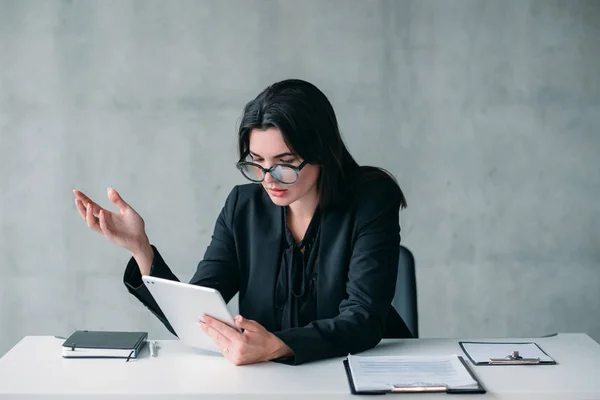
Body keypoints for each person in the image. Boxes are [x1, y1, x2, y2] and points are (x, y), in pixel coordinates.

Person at [73, 79, 411, 366]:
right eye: (257, 162)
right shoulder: (242, 206)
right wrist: (141, 249)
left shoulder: (371, 197)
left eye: (285, 162)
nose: (269, 179)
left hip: (365, 370)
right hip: (271, 381)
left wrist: (277, 345)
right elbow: (199, 314)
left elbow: (363, 319)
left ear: (322, 151)